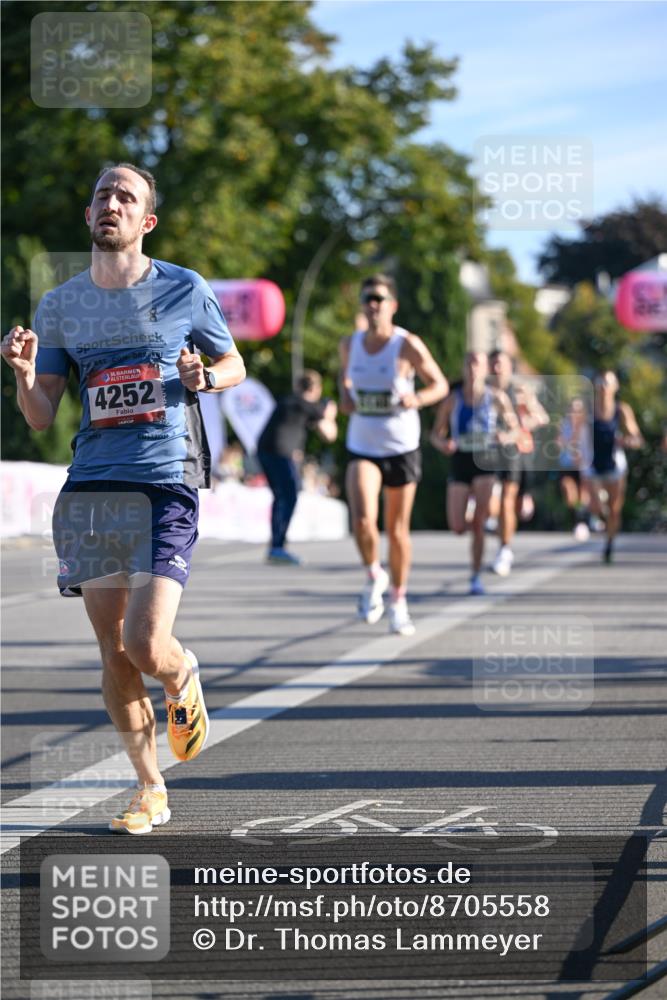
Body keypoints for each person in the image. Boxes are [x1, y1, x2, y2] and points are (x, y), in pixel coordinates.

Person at [1, 163, 245, 834]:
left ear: (147, 222)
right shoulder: (60, 307)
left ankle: (180, 669)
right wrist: (25, 374)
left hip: (166, 478)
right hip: (92, 486)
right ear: (88, 217)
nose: (111, 203)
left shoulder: (184, 289)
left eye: (126, 197)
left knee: (144, 641)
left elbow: (235, 364)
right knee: (112, 652)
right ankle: (149, 787)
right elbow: (42, 414)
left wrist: (205, 376)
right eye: (103, 195)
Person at [339, 274, 448, 635]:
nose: (373, 304)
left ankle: (399, 601)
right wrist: (348, 399)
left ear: (392, 305)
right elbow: (344, 393)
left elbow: (440, 385)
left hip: (401, 445)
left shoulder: (406, 345)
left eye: (379, 298)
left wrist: (416, 398)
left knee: (398, 531)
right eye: (368, 298)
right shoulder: (349, 344)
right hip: (363, 445)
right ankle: (374, 574)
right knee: (363, 521)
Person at [431, 352, 517, 595]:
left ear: (484, 369)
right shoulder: (453, 399)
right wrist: (443, 444)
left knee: (478, 523)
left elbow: (514, 430)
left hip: (485, 461)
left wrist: (504, 436)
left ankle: (476, 575)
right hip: (460, 461)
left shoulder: (496, 398)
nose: (472, 369)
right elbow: (435, 434)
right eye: (468, 363)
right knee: (458, 526)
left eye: (476, 364)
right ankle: (478, 517)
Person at [256, 369, 338, 565]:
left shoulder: (289, 402)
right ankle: (278, 546)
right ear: (315, 389)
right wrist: (330, 415)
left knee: (280, 496)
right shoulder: (307, 405)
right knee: (290, 495)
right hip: (279, 453)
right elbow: (329, 435)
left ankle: (277, 545)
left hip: (265, 450)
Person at [488, 349, 549, 576]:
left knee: (507, 499)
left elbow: (541, 417)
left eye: (500, 364)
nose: (496, 369)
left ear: (509, 367)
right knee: (496, 501)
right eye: (493, 364)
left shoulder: (519, 390)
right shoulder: (483, 390)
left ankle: (504, 549)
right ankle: (500, 534)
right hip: (487, 451)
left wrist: (518, 428)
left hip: (514, 451)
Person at [583, 370, 643, 563]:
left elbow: (636, 437)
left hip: (615, 465)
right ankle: (600, 516)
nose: (604, 387)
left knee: (614, 508)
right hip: (592, 464)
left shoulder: (622, 410)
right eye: (600, 382)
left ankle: (609, 544)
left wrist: (628, 441)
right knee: (595, 505)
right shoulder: (587, 409)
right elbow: (574, 435)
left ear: (616, 387)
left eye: (608, 383)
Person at [557, 397, 593, 540]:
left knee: (584, 495)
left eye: (578, 410)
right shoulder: (563, 425)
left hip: (584, 465)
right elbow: (559, 442)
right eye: (572, 409)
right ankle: (577, 521)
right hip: (567, 464)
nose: (575, 412)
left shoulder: (588, 425)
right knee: (569, 493)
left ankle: (583, 522)